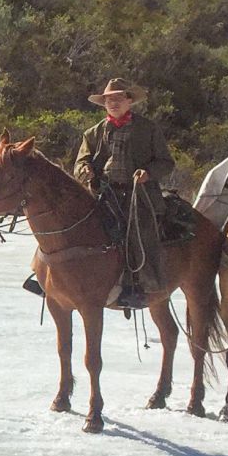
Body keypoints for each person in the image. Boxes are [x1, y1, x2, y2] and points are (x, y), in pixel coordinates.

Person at [73, 76, 176, 310]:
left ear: (129, 100)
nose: (113, 103)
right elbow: (80, 162)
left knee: (139, 232)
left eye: (119, 98)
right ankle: (48, 278)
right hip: (102, 193)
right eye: (109, 99)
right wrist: (85, 169)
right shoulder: (93, 133)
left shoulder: (148, 129)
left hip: (137, 197)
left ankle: (138, 286)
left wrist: (148, 173)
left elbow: (166, 162)